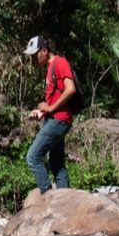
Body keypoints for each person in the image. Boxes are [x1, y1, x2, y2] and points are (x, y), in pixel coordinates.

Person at [23, 34, 78, 193]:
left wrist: (51, 109)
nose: (33, 60)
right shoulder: (49, 68)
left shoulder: (60, 63)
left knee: (33, 157)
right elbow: (53, 100)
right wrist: (42, 113)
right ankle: (65, 199)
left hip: (59, 120)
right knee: (57, 164)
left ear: (44, 51)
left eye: (34, 55)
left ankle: (47, 195)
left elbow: (71, 89)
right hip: (54, 119)